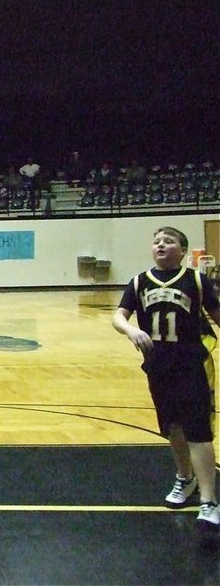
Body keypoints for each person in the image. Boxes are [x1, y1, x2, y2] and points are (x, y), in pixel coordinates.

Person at [112, 226, 220, 532]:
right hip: (158, 367)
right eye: (157, 241)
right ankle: (184, 478)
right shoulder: (139, 281)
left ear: (183, 250)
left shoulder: (196, 280)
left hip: (191, 365)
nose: (161, 244)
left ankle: (209, 500)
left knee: (198, 431)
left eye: (169, 241)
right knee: (172, 427)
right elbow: (118, 315)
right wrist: (130, 329)